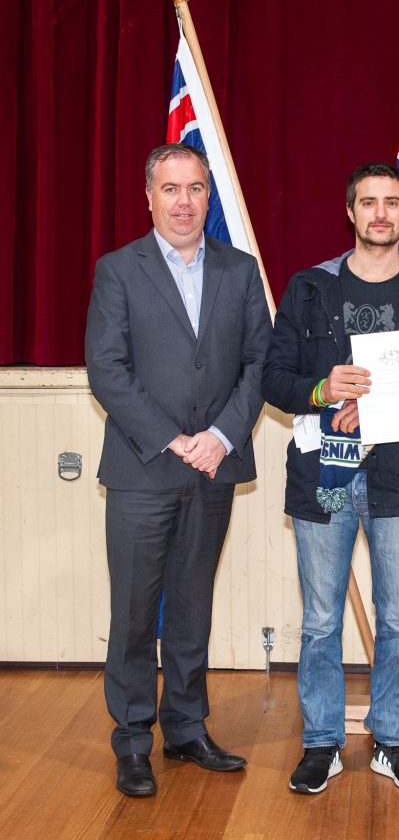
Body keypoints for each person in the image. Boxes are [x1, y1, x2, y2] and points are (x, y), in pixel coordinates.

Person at [262, 162, 399, 795]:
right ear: (350, 212)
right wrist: (323, 388)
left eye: (393, 203)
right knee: (322, 618)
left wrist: (382, 402)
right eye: (368, 203)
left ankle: (392, 741)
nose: (380, 214)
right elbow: (273, 379)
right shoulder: (308, 288)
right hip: (323, 471)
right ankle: (322, 742)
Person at [85, 142, 270, 797]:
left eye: (195, 189)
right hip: (142, 471)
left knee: (193, 610)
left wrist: (221, 435)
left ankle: (187, 730)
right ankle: (133, 742)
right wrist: (171, 439)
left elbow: (259, 365)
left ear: (207, 196)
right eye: (171, 189)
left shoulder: (240, 271)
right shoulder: (118, 270)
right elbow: (106, 368)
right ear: (149, 196)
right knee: (135, 614)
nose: (184, 202)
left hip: (214, 468)